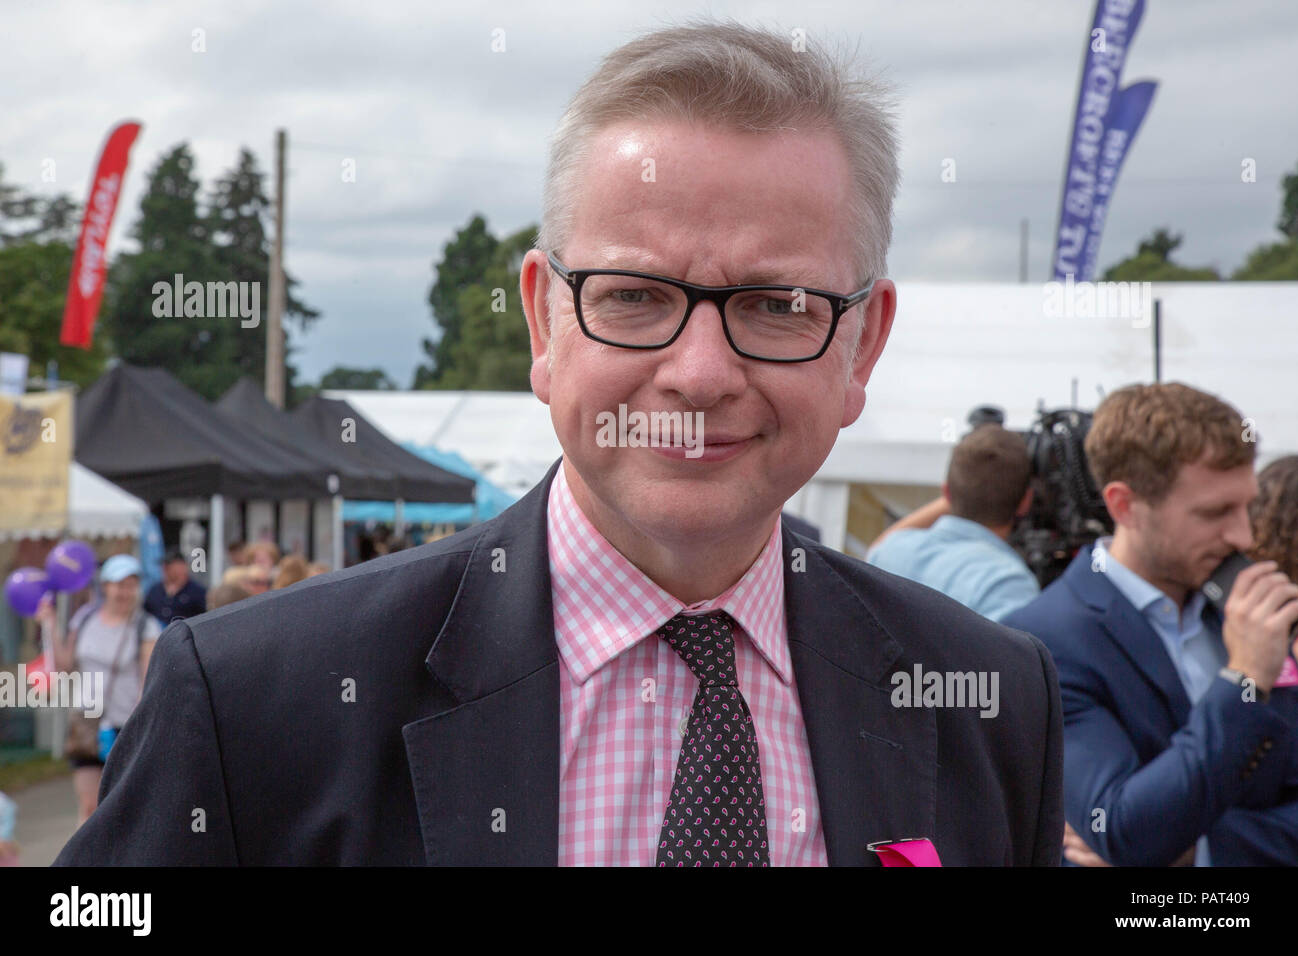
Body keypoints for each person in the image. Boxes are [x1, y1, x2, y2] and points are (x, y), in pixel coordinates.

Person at [56, 22, 1061, 866]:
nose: (700, 370)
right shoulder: (254, 702)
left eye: (776, 303)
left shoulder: (990, 699)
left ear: (861, 343)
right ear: (544, 322)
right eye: (634, 296)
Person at [1004, 383, 1298, 866]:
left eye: (1246, 505)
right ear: (1124, 505)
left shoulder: (1241, 605)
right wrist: (1243, 679)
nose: (1244, 534)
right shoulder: (1041, 642)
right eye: (1214, 513)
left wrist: (1202, 850)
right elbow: (1124, 829)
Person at [865, 424, 1039, 622]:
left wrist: (965, 485)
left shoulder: (891, 549)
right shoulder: (1007, 583)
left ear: (946, 492)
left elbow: (880, 545)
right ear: (1025, 501)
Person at [40, 554, 161, 825]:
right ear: (105, 586)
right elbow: (64, 666)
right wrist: (49, 624)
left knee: (122, 807)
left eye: (131, 585)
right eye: (119, 584)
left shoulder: (146, 626)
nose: (124, 592)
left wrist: (140, 725)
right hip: (87, 723)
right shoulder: (85, 619)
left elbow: (148, 679)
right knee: (89, 806)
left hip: (124, 726)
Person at [142, 549, 207, 626]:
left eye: (169, 566)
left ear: (182, 566)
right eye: (164, 566)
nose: (165, 569)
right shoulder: (154, 590)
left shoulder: (197, 592)